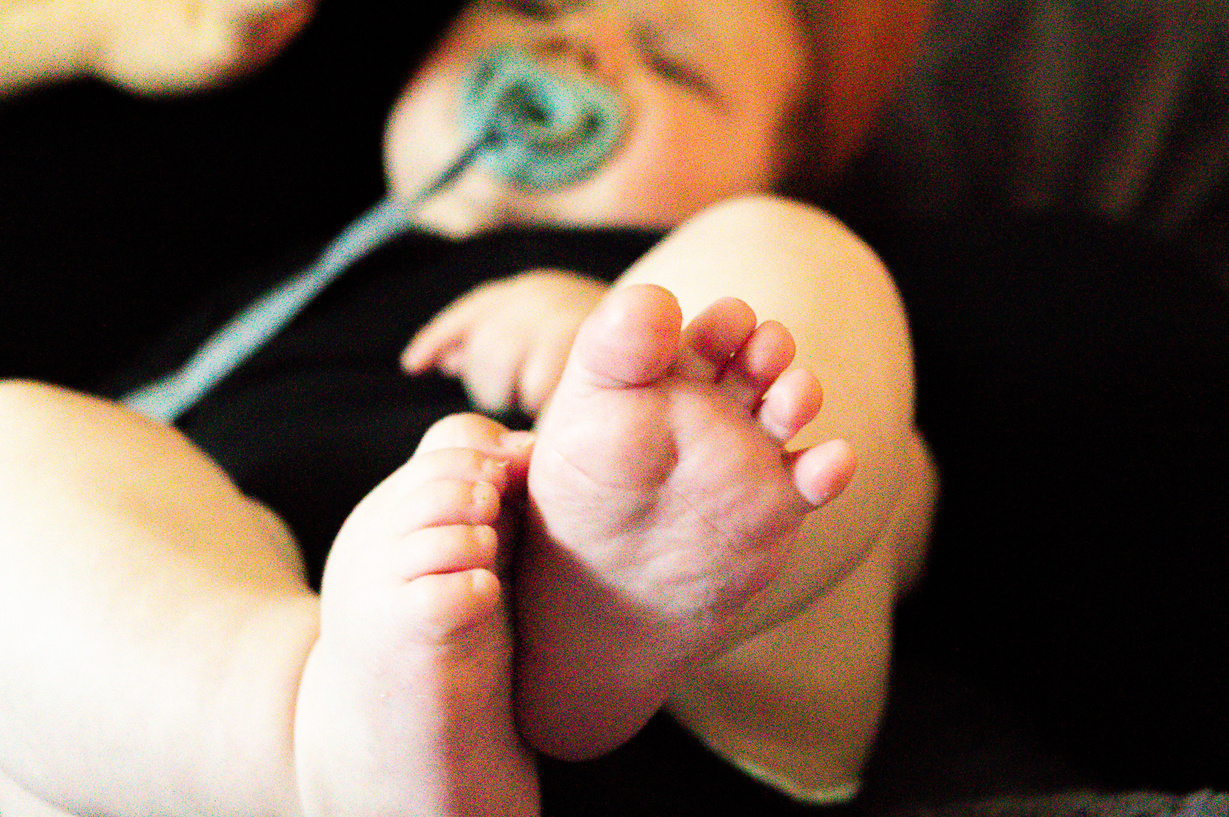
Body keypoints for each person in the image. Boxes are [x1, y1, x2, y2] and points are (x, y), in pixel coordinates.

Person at [0, 1, 936, 816]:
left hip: (680, 710)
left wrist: (651, 370)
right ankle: (311, 739)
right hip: (202, 724)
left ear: (784, 159)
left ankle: (621, 587)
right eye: (530, 6)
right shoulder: (261, 260)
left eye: (670, 59)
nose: (578, 46)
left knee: (796, 268)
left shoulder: (681, 271)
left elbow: (900, 493)